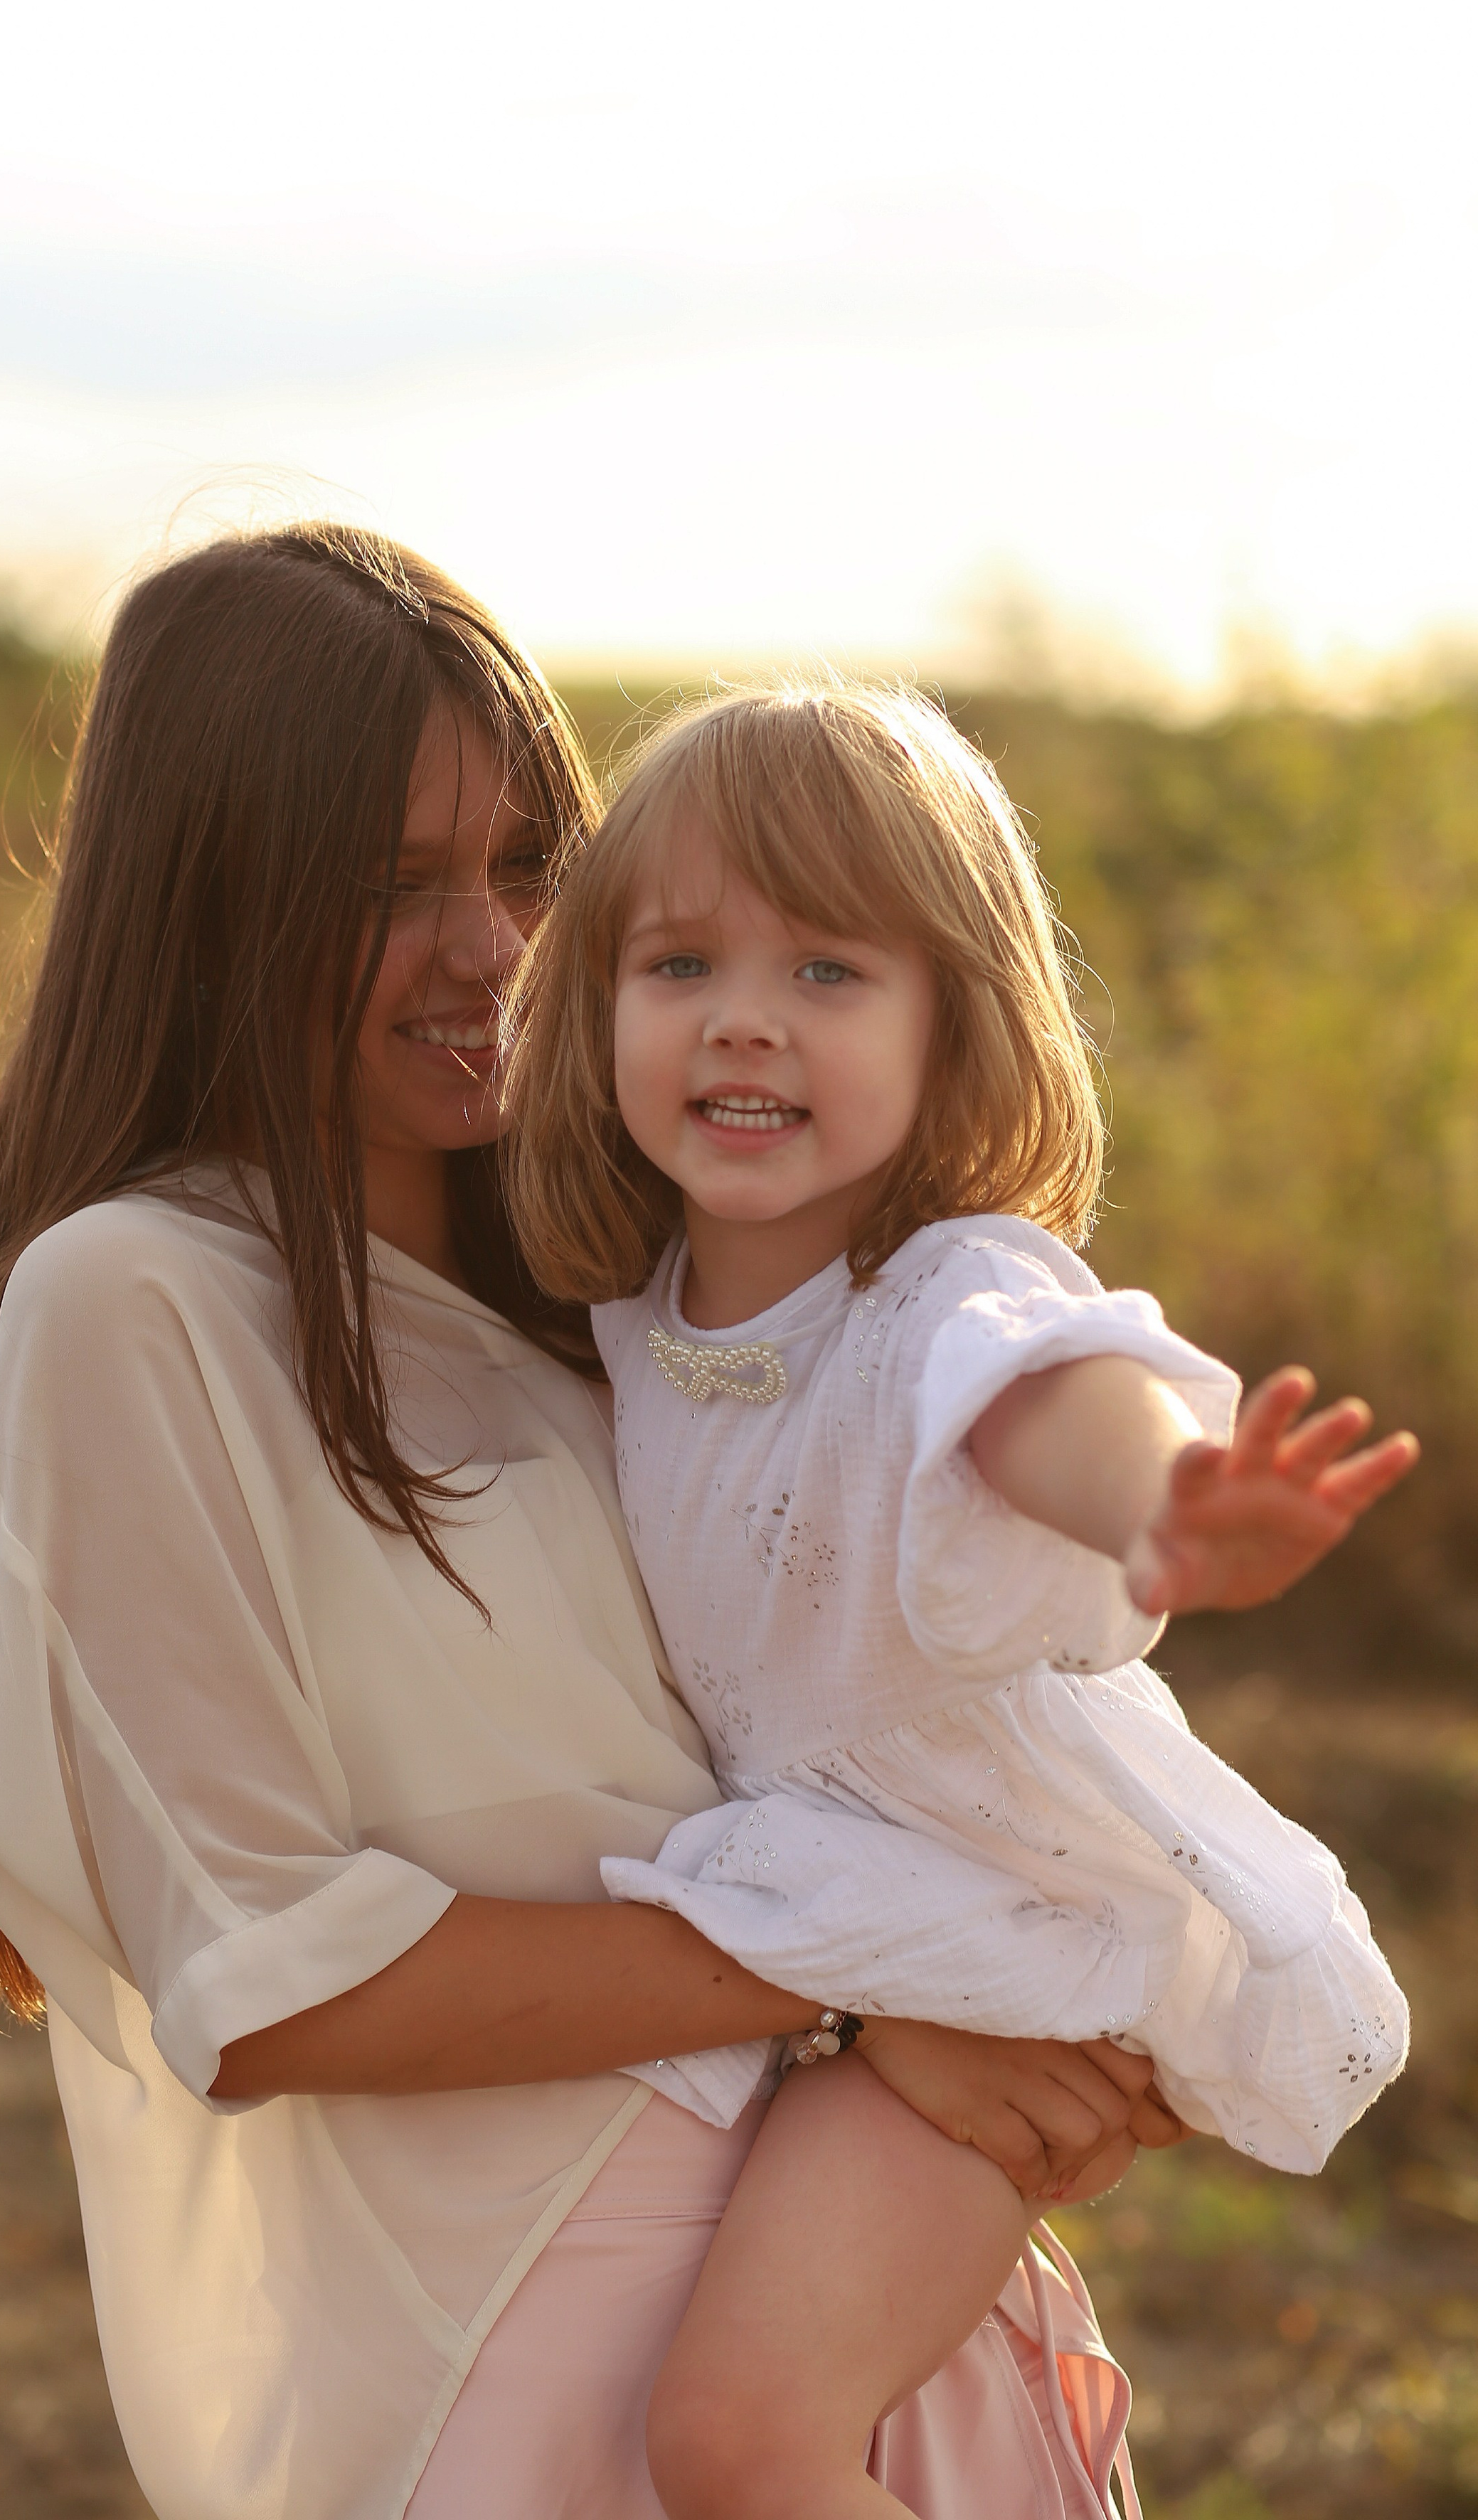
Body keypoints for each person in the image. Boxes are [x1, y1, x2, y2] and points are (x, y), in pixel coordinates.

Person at [0, 533, 1176, 2520]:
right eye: (391, 892)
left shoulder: (621, 1302)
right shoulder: (139, 1307)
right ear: (207, 909)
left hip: (852, 2332)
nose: (490, 948)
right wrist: (866, 1981)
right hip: (537, 2394)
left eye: (530, 864)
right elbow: (276, 1981)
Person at [499, 678, 1418, 2520]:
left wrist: (1167, 1500)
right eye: (681, 964)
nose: (746, 1017)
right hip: (824, 1918)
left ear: (954, 1028)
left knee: (742, 2445)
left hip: (989, 1922)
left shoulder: (934, 1294)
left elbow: (1039, 1401)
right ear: (593, 1002)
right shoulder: (636, 1318)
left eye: (830, 972)